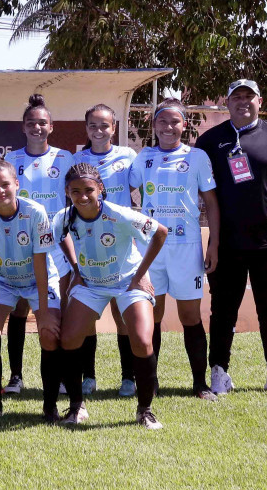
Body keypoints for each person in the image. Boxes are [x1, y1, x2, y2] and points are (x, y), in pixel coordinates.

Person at [195, 79, 267, 396]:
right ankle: (219, 373)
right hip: (227, 242)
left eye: (248, 96)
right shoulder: (210, 141)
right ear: (226, 104)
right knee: (222, 311)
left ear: (260, 101)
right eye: (235, 97)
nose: (242, 102)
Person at [55, 163, 168, 428]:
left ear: (100, 189)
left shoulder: (118, 214)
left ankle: (145, 410)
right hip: (91, 283)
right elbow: (60, 236)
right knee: (69, 339)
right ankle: (76, 406)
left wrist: (141, 274)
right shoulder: (64, 216)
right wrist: (75, 269)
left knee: (141, 341)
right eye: (75, 191)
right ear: (67, 192)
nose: (82, 196)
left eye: (88, 190)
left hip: (128, 281)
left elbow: (160, 233)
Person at [128, 98, 220, 401]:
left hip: (187, 246)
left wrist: (213, 243)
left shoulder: (197, 157)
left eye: (175, 121)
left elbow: (210, 203)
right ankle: (149, 383)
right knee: (152, 314)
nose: (168, 127)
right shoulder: (144, 158)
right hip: (152, 248)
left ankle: (199, 383)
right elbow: (127, 193)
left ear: (185, 125)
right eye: (162, 121)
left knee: (190, 316)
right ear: (154, 125)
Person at [0, 157, 61, 421]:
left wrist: (43, 310)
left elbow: (41, 264)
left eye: (5, 185)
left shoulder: (35, 212)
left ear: (17, 184)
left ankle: (50, 406)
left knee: (48, 333)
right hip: (5, 282)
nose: (0, 191)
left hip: (38, 280)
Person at [3, 93, 74, 395]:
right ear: (23, 126)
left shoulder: (65, 158)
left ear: (51, 126)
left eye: (42, 123)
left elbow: (74, 202)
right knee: (18, 311)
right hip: (20, 245)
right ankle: (16, 377)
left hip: (56, 246)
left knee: (58, 311)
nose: (37, 127)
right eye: (31, 122)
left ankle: (60, 376)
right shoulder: (10, 160)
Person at [73, 103, 138, 397]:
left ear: (114, 128)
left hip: (121, 243)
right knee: (88, 314)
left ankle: (129, 377)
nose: (98, 131)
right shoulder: (76, 160)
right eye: (93, 126)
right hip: (88, 242)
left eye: (104, 125)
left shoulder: (128, 156)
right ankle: (88, 376)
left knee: (121, 312)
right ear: (86, 129)